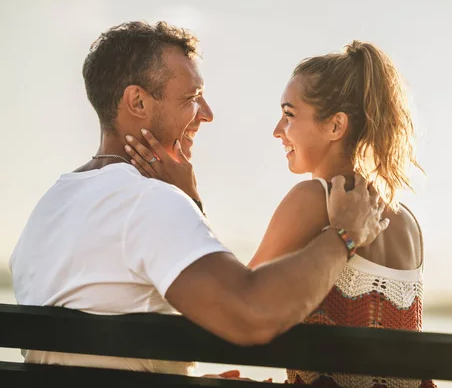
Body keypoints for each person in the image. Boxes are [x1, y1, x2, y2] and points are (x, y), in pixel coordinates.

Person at [8, 21, 388, 376]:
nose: (206, 114)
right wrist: (344, 236)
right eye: (193, 98)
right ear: (137, 103)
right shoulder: (147, 202)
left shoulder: (50, 206)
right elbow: (252, 313)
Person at [129, 41, 436, 387]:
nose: (278, 130)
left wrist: (190, 199)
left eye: (289, 115)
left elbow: (230, 307)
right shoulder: (407, 220)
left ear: (336, 126)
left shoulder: (313, 199)